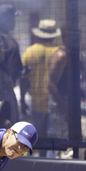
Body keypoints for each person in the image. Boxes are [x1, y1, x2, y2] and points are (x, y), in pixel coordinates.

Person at [21, 19, 61, 153]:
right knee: (57, 142)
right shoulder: (60, 52)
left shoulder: (30, 52)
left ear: (39, 34)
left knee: (40, 141)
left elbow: (23, 79)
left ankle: (42, 167)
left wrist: (22, 100)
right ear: (55, 34)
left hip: (36, 103)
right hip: (56, 103)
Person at [0, 4, 23, 84]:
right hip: (5, 91)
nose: (14, 21)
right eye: (12, 18)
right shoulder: (11, 44)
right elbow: (13, 73)